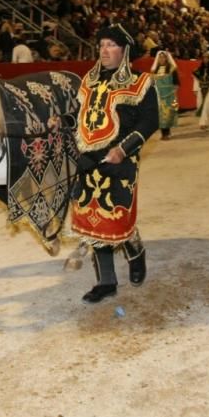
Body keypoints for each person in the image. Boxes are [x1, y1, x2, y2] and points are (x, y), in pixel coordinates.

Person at [68, 24, 158, 303]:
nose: (104, 50)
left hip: (120, 159)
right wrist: (61, 121)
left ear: (125, 50)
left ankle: (136, 252)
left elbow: (150, 121)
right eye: (101, 44)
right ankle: (106, 281)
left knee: (117, 215)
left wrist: (122, 149)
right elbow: (79, 116)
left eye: (111, 45)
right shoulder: (88, 81)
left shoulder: (141, 82)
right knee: (93, 220)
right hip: (88, 159)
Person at [150, 49, 179, 139]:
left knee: (168, 113)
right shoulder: (155, 70)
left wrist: (174, 92)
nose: (161, 59)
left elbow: (176, 82)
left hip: (169, 94)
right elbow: (152, 83)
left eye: (163, 57)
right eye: (160, 57)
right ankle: (164, 133)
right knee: (161, 115)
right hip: (159, 95)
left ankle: (167, 132)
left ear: (166, 58)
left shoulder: (171, 68)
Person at [192, 51, 209, 129]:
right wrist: (195, 89)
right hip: (201, 90)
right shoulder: (198, 70)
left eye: (207, 58)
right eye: (204, 58)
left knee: (207, 106)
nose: (205, 60)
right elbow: (196, 80)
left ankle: (203, 123)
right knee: (200, 105)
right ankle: (203, 121)